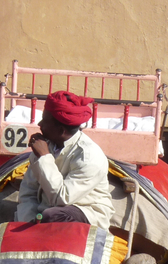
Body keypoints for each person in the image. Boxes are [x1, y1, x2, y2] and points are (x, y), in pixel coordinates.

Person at [15, 90, 114, 227]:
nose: (39, 124)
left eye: (44, 120)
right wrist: (29, 221)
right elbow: (28, 193)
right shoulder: (46, 145)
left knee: (52, 216)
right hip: (44, 211)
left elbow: (61, 198)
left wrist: (44, 157)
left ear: (61, 130)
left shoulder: (89, 156)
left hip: (84, 210)